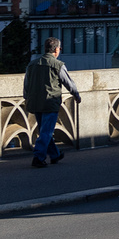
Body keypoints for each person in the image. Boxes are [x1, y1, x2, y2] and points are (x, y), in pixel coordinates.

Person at [23, 37, 81, 168]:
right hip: (50, 102)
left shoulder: (32, 64)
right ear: (55, 49)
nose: (59, 50)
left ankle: (55, 155)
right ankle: (38, 157)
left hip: (35, 102)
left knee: (44, 129)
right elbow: (68, 82)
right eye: (60, 48)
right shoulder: (58, 64)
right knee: (46, 132)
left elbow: (26, 83)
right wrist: (76, 95)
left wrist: (26, 97)